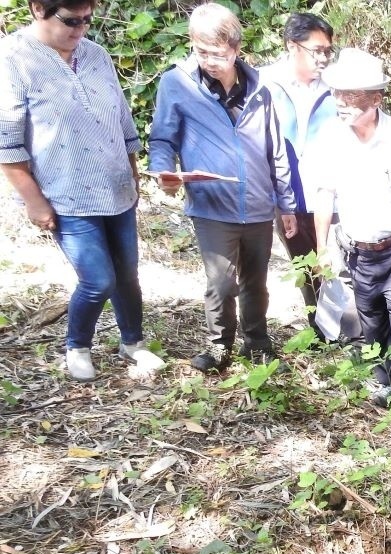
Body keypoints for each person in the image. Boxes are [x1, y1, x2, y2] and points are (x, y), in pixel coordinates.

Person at [0, 1, 164, 381]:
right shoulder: (14, 58)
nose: (81, 30)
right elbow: (7, 144)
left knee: (127, 274)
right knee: (97, 279)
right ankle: (78, 345)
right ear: (38, 9)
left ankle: (133, 342)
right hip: (66, 191)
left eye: (87, 20)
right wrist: (34, 201)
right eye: (71, 21)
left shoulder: (96, 54)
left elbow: (123, 120)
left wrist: (133, 175)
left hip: (116, 186)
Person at [148, 2, 297, 372]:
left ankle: (258, 343)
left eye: (218, 53)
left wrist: (286, 203)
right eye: (201, 52)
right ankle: (219, 347)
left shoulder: (262, 87)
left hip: (259, 203)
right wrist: (164, 173)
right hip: (212, 203)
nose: (209, 61)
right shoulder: (178, 82)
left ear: (235, 48)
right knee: (220, 283)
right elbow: (163, 138)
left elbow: (276, 147)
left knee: (256, 283)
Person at [308, 48, 391, 413]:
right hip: (357, 251)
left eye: (352, 95)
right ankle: (386, 380)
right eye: (337, 93)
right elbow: (325, 194)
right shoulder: (332, 137)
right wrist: (321, 248)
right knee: (370, 319)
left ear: (376, 98)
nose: (342, 102)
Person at [257, 12, 337, 335]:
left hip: (330, 191)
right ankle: (319, 328)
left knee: (331, 259)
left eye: (327, 50)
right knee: (303, 263)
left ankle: (340, 329)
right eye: (316, 50)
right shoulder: (264, 83)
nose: (323, 58)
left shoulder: (337, 85)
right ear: (292, 46)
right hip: (287, 193)